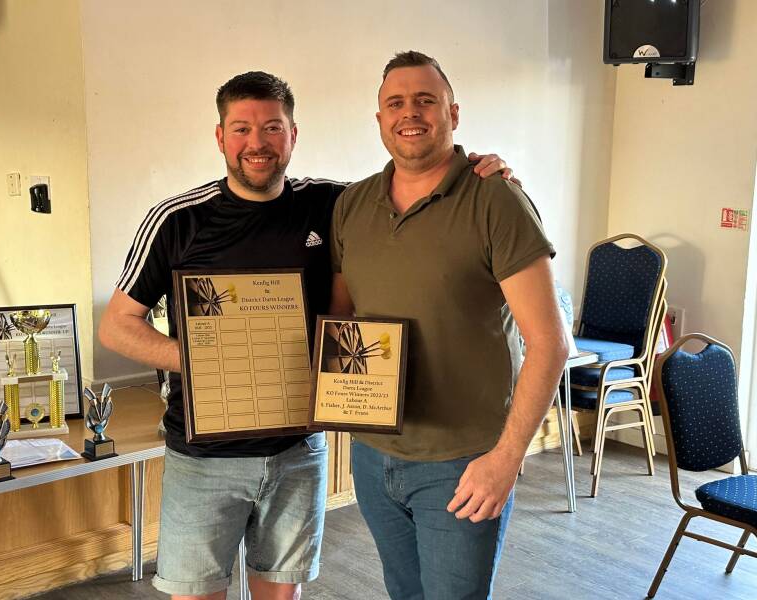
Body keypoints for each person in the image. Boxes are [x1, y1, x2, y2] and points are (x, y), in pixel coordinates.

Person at [98, 70, 515, 600]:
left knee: (283, 594)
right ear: (220, 136)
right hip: (205, 458)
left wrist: (483, 174)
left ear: (293, 135)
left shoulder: (335, 204)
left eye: (272, 128)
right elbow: (117, 326)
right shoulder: (177, 220)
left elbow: (417, 188)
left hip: (299, 450)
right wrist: (211, 359)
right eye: (242, 129)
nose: (257, 143)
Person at [329, 51, 569, 600]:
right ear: (380, 119)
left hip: (463, 463)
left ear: (452, 113)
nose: (409, 113)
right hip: (372, 454)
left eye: (425, 100)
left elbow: (550, 344)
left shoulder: (496, 199)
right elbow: (341, 323)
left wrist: (505, 460)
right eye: (395, 103)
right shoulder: (352, 204)